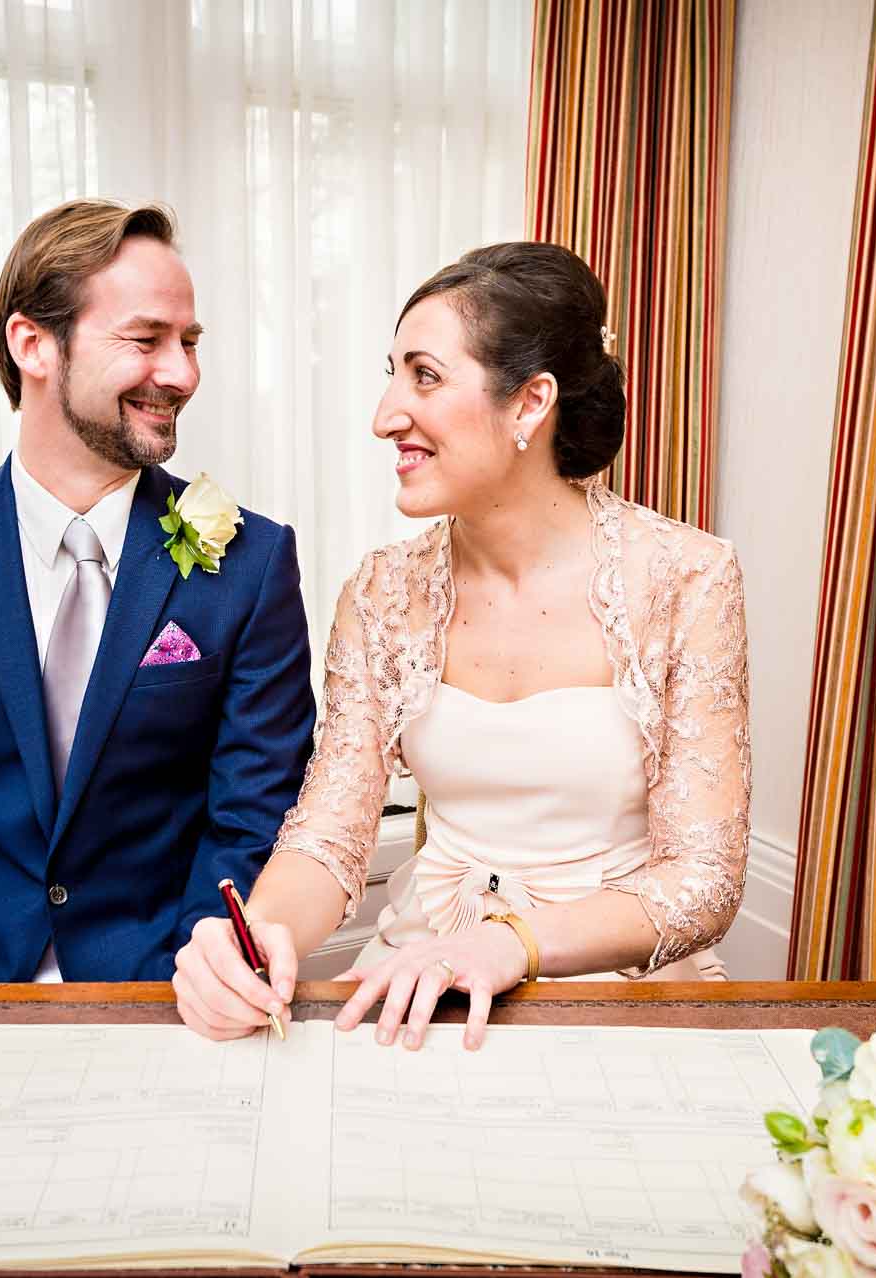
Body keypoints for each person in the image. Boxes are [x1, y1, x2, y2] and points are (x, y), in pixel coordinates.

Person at [172, 242, 749, 1046]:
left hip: (614, 992)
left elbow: (704, 882)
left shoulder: (688, 579)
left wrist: (512, 942)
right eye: (392, 374)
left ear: (529, 404)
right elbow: (330, 835)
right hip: (418, 969)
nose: (384, 416)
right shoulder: (380, 593)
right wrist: (254, 939)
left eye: (425, 376)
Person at [0, 200, 316, 983]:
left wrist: (187, 989)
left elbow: (254, 821)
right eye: (146, 339)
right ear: (33, 345)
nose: (182, 373)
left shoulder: (253, 564)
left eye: (188, 343)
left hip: (172, 1002)